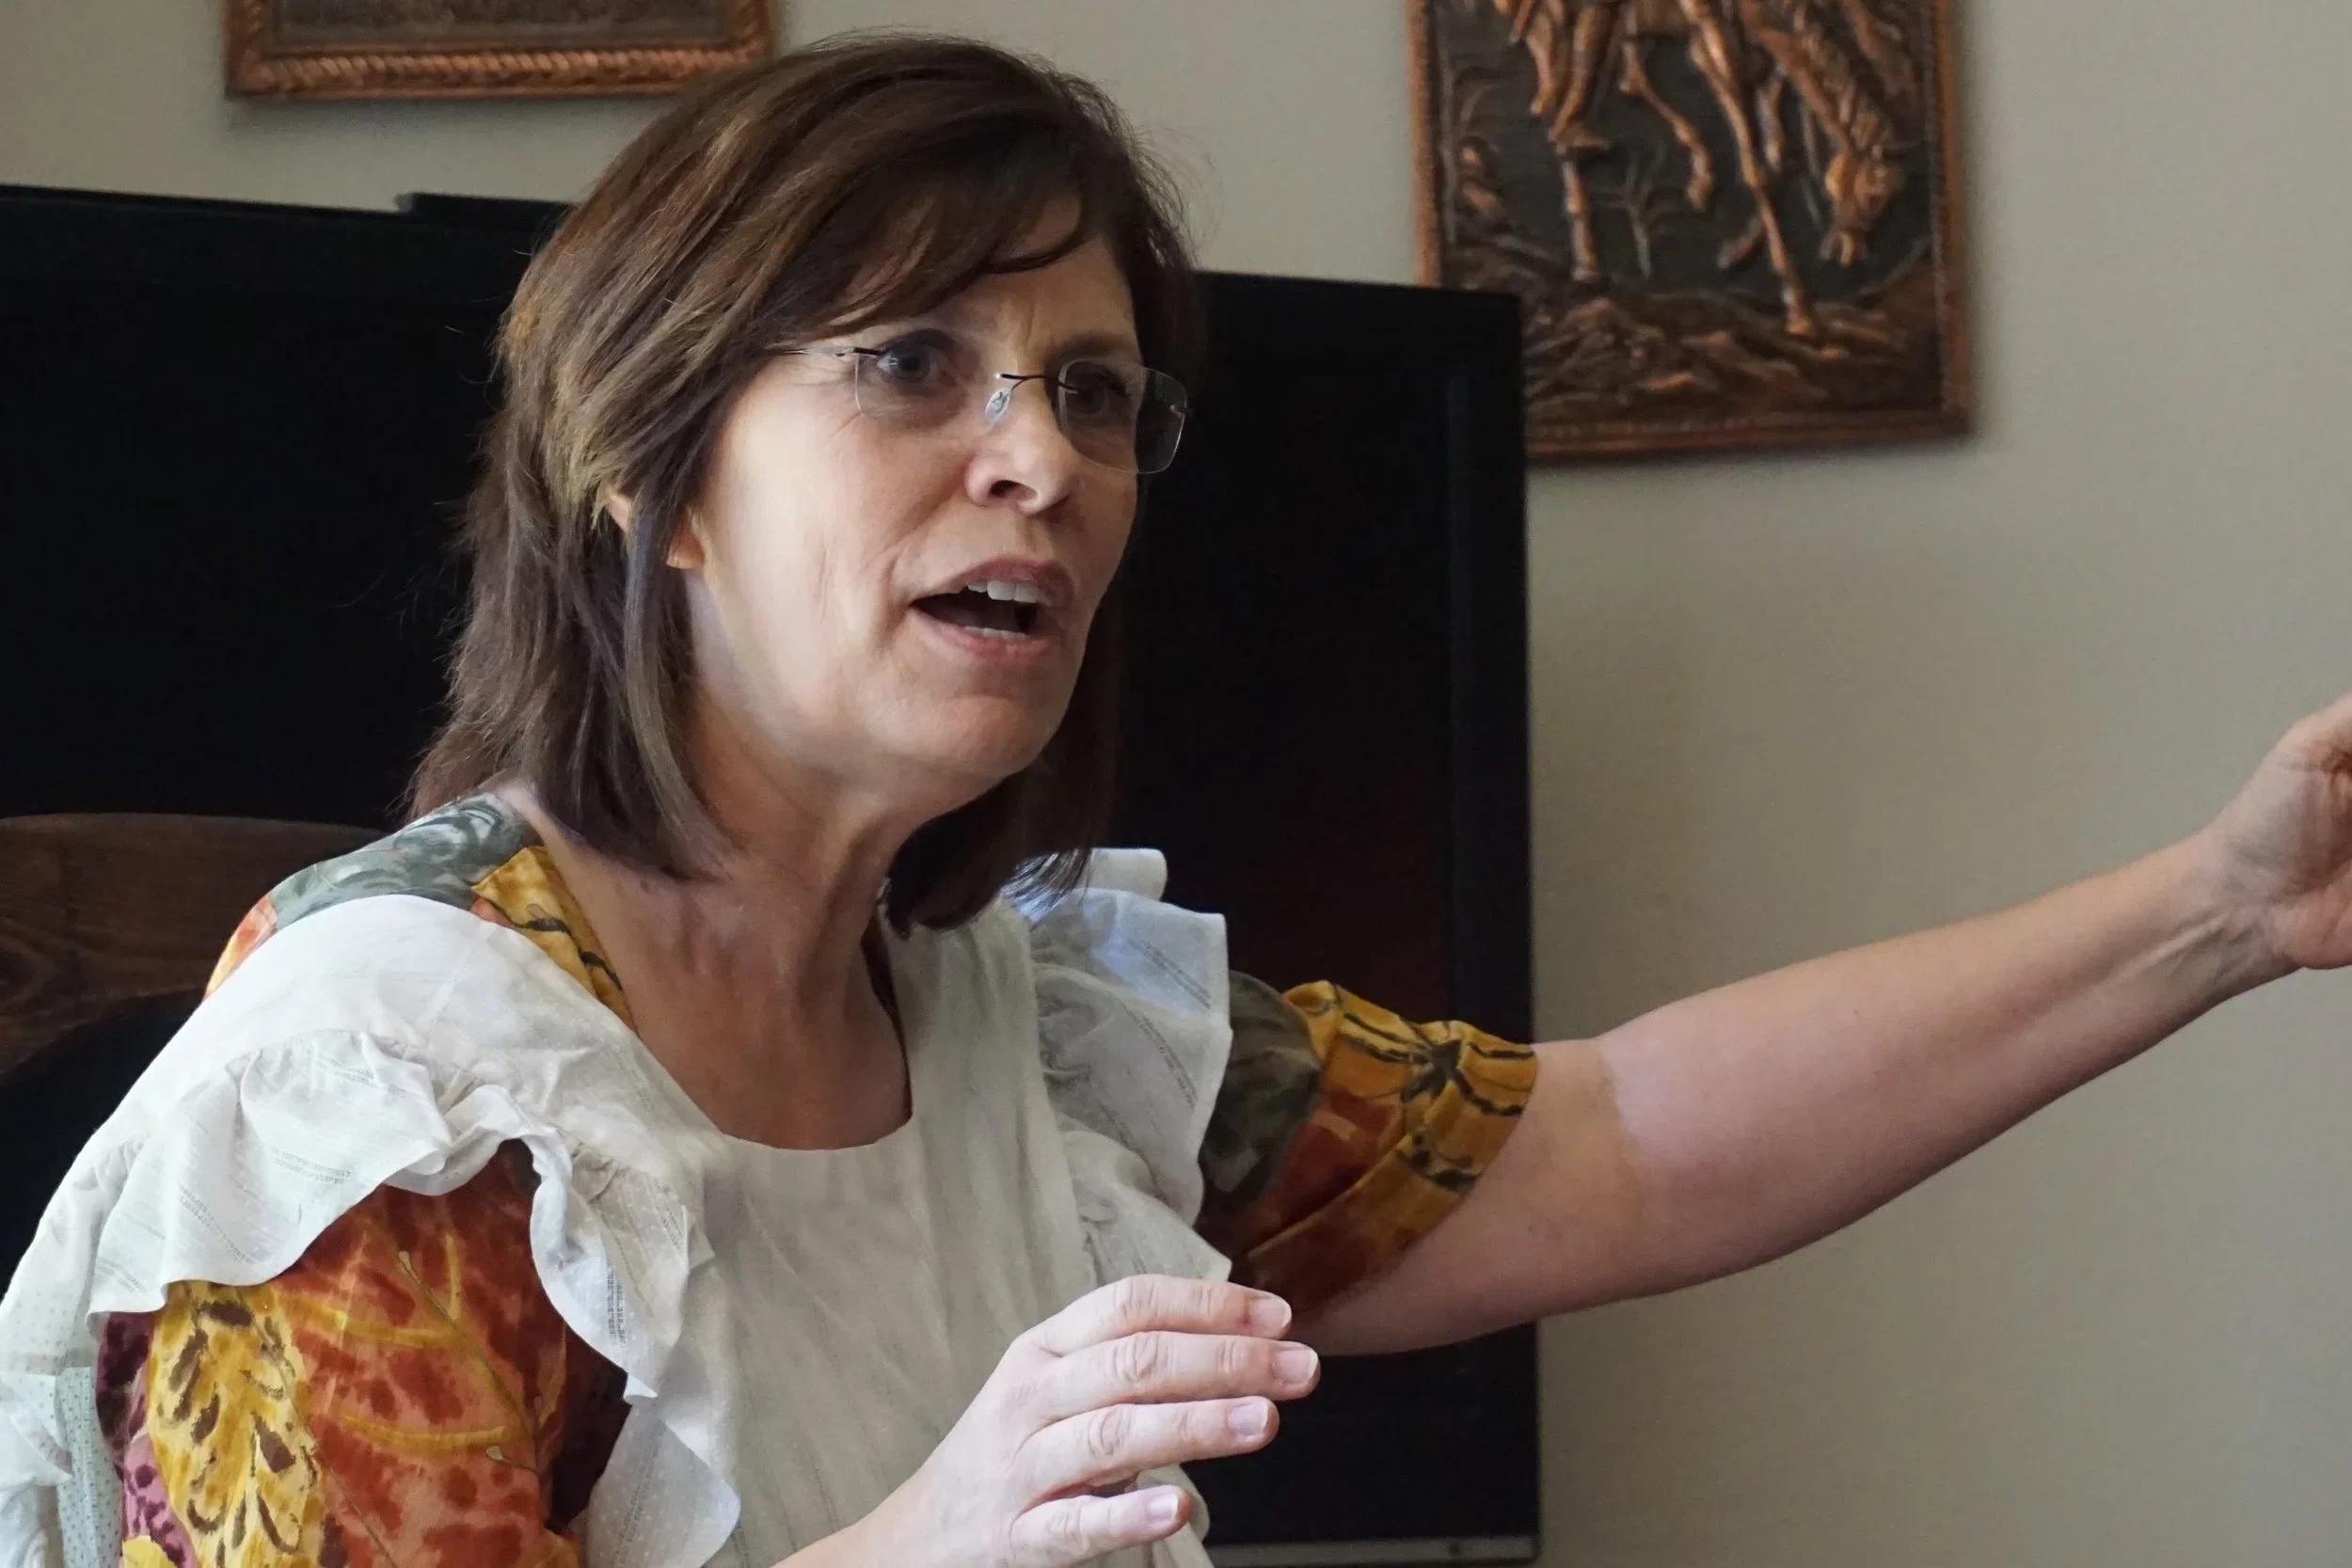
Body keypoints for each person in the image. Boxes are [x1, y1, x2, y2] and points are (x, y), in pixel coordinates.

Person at [4, 30, 2349, 1568]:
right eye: (912, 363)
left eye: (1097, 393)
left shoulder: (1022, 1039)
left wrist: (2226, 906)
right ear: (657, 475)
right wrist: (928, 1537)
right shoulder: (384, 1097)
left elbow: (1621, 1140)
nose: (1040, 457)